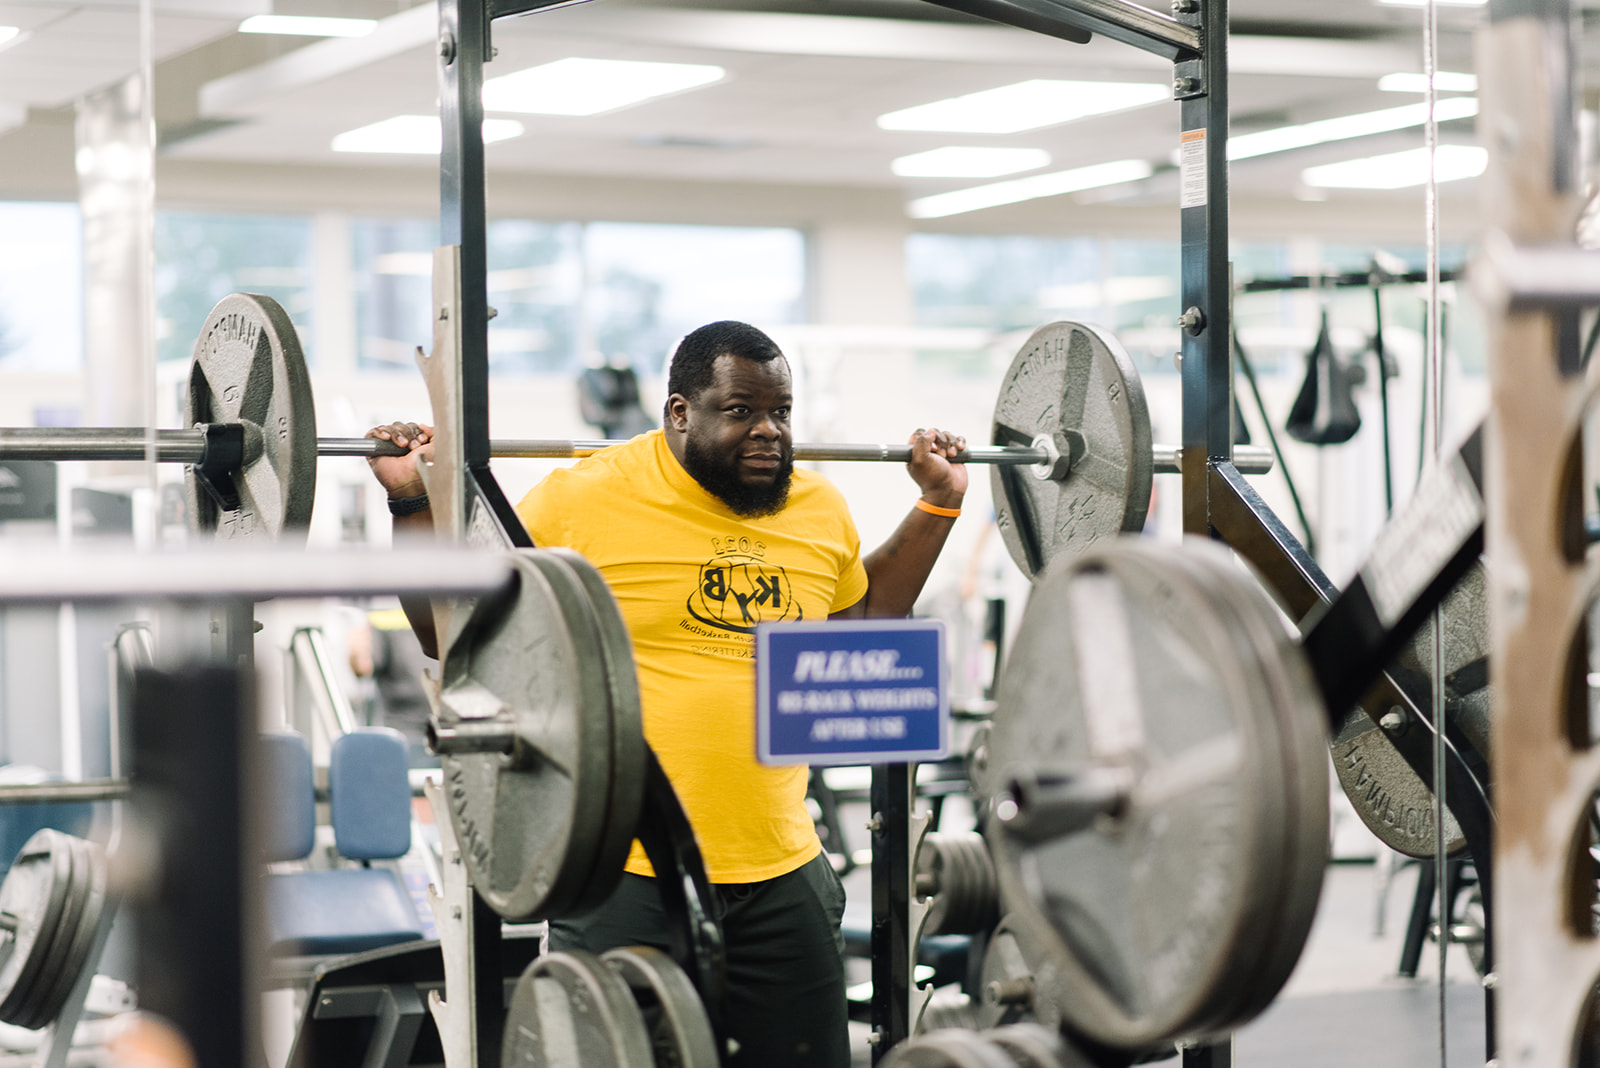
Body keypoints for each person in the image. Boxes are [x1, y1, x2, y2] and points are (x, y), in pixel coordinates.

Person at [366, 320, 967, 1068]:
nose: (769, 432)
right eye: (742, 411)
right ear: (679, 412)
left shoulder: (819, 508)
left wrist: (939, 504)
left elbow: (860, 625)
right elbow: (449, 633)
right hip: (625, 869)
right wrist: (410, 505)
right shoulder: (579, 500)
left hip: (782, 867)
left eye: (780, 411)